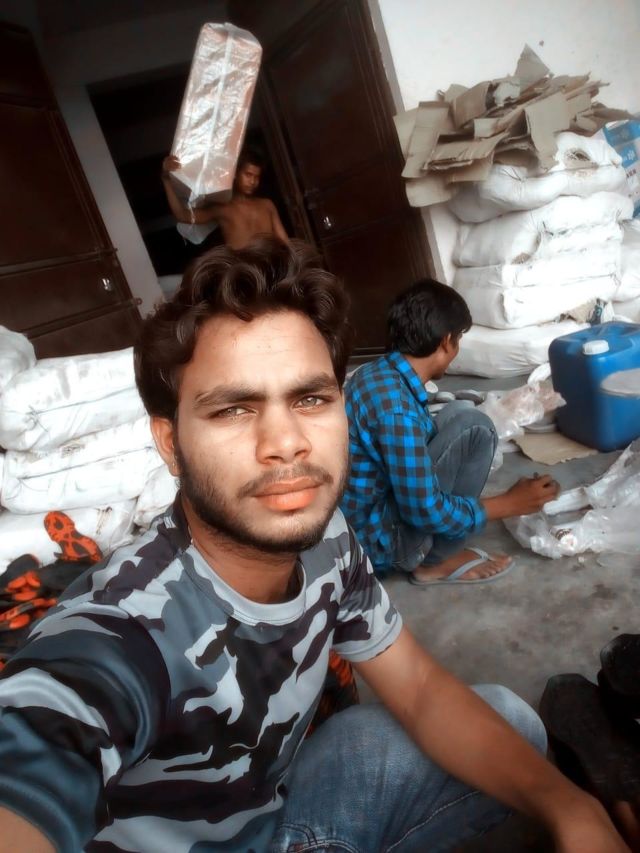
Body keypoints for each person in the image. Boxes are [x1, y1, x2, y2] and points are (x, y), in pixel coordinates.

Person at [0, 239, 627, 853]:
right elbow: (36, 756)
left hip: (280, 814)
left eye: (310, 398)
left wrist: (574, 809)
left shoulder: (327, 535)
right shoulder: (118, 635)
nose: (287, 442)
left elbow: (418, 687)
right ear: (170, 443)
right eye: (234, 410)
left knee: (512, 725)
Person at [341, 278, 561, 586]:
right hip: (382, 546)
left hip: (361, 521)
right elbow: (423, 510)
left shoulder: (374, 373)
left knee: (460, 413)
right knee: (477, 428)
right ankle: (432, 561)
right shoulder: (397, 412)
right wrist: (508, 503)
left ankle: (433, 550)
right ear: (447, 342)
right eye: (458, 339)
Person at [161, 146, 289, 249]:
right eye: (248, 175)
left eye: (256, 177)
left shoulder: (267, 205)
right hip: (245, 270)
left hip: (272, 266)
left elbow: (285, 243)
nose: (252, 181)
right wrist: (166, 179)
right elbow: (182, 215)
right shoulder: (222, 208)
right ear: (236, 174)